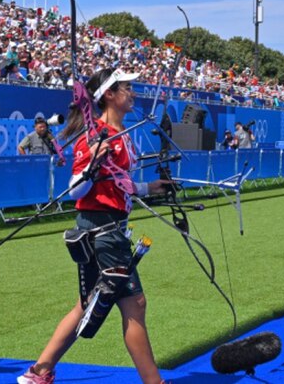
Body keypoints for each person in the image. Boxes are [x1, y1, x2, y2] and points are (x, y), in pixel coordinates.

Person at [19, 68, 173, 384]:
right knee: (134, 304)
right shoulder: (95, 134)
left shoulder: (123, 135)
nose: (133, 92)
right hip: (101, 230)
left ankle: (39, 371)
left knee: (88, 302)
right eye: (126, 87)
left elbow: (119, 184)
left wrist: (150, 188)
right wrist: (91, 160)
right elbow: (75, 190)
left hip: (110, 226)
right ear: (109, 95)